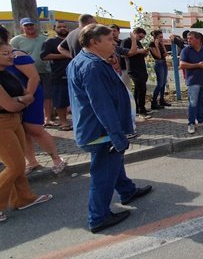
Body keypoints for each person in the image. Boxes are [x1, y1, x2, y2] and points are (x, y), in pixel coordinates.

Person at [67, 24, 152, 233]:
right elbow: (101, 105)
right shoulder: (92, 67)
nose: (114, 43)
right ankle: (98, 217)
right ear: (94, 42)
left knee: (113, 163)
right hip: (100, 131)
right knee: (103, 174)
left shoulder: (87, 61)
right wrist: (116, 135)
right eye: (109, 40)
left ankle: (127, 190)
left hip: (97, 128)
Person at [0, 40, 53, 222]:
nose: (11, 56)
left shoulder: (7, 73)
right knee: (14, 165)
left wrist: (20, 99)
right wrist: (21, 100)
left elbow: (27, 95)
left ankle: (22, 198)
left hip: (15, 120)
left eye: (11, 52)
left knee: (19, 164)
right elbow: (10, 105)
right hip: (2, 123)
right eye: (5, 54)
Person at [2, 27, 67, 175]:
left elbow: (34, 77)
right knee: (23, 131)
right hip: (15, 99)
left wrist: (27, 98)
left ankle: (57, 159)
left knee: (34, 129)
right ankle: (31, 161)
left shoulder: (15, 55)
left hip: (29, 96)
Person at [10, 18, 54, 127]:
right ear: (22, 27)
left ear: (36, 26)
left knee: (47, 95)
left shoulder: (44, 39)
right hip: (25, 75)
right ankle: (26, 118)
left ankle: (47, 118)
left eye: (31, 25)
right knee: (27, 94)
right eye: (26, 25)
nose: (29, 27)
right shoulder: (16, 40)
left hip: (45, 71)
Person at [179, 31, 203, 134]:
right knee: (193, 103)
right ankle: (191, 123)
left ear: (198, 39)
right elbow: (182, 65)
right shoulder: (186, 50)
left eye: (191, 38)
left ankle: (201, 121)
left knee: (201, 102)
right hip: (193, 81)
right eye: (188, 39)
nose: (188, 40)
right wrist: (197, 65)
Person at [40, 21, 72, 130]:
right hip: (59, 74)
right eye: (59, 27)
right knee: (60, 100)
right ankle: (63, 122)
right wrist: (64, 55)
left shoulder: (73, 40)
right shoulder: (50, 42)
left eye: (65, 26)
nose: (63, 28)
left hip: (75, 74)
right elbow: (44, 56)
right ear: (55, 29)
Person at [122, 27, 151, 119]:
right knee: (141, 89)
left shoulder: (138, 42)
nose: (140, 39)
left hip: (141, 68)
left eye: (142, 38)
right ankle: (141, 110)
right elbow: (125, 54)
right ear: (134, 33)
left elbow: (141, 53)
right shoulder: (126, 41)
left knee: (138, 90)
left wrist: (144, 52)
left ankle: (137, 108)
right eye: (139, 36)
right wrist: (139, 51)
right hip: (133, 69)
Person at [148, 30, 170, 110]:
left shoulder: (161, 44)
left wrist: (162, 44)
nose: (161, 38)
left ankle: (162, 100)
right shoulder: (152, 44)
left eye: (162, 37)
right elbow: (158, 55)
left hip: (163, 63)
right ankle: (153, 102)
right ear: (155, 37)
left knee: (164, 83)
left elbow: (165, 54)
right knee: (159, 84)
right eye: (160, 37)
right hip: (158, 63)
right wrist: (157, 46)